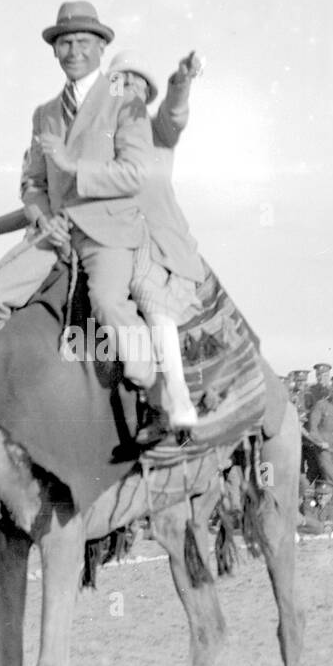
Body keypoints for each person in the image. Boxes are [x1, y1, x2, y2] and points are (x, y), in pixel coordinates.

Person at [0, 0, 157, 397]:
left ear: (102, 47)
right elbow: (33, 182)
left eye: (84, 42)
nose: (74, 52)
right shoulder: (44, 114)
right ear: (54, 50)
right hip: (53, 233)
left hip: (108, 231)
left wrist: (71, 165)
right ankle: (14, 384)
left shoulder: (125, 100)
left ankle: (153, 395)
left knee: (107, 301)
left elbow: (135, 173)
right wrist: (42, 217)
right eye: (65, 43)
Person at [105, 48, 208, 429]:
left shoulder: (157, 131)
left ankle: (178, 397)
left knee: (150, 297)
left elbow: (175, 112)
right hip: (105, 238)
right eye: (119, 81)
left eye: (136, 82)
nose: (127, 87)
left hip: (158, 241)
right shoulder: (97, 141)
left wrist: (182, 79)